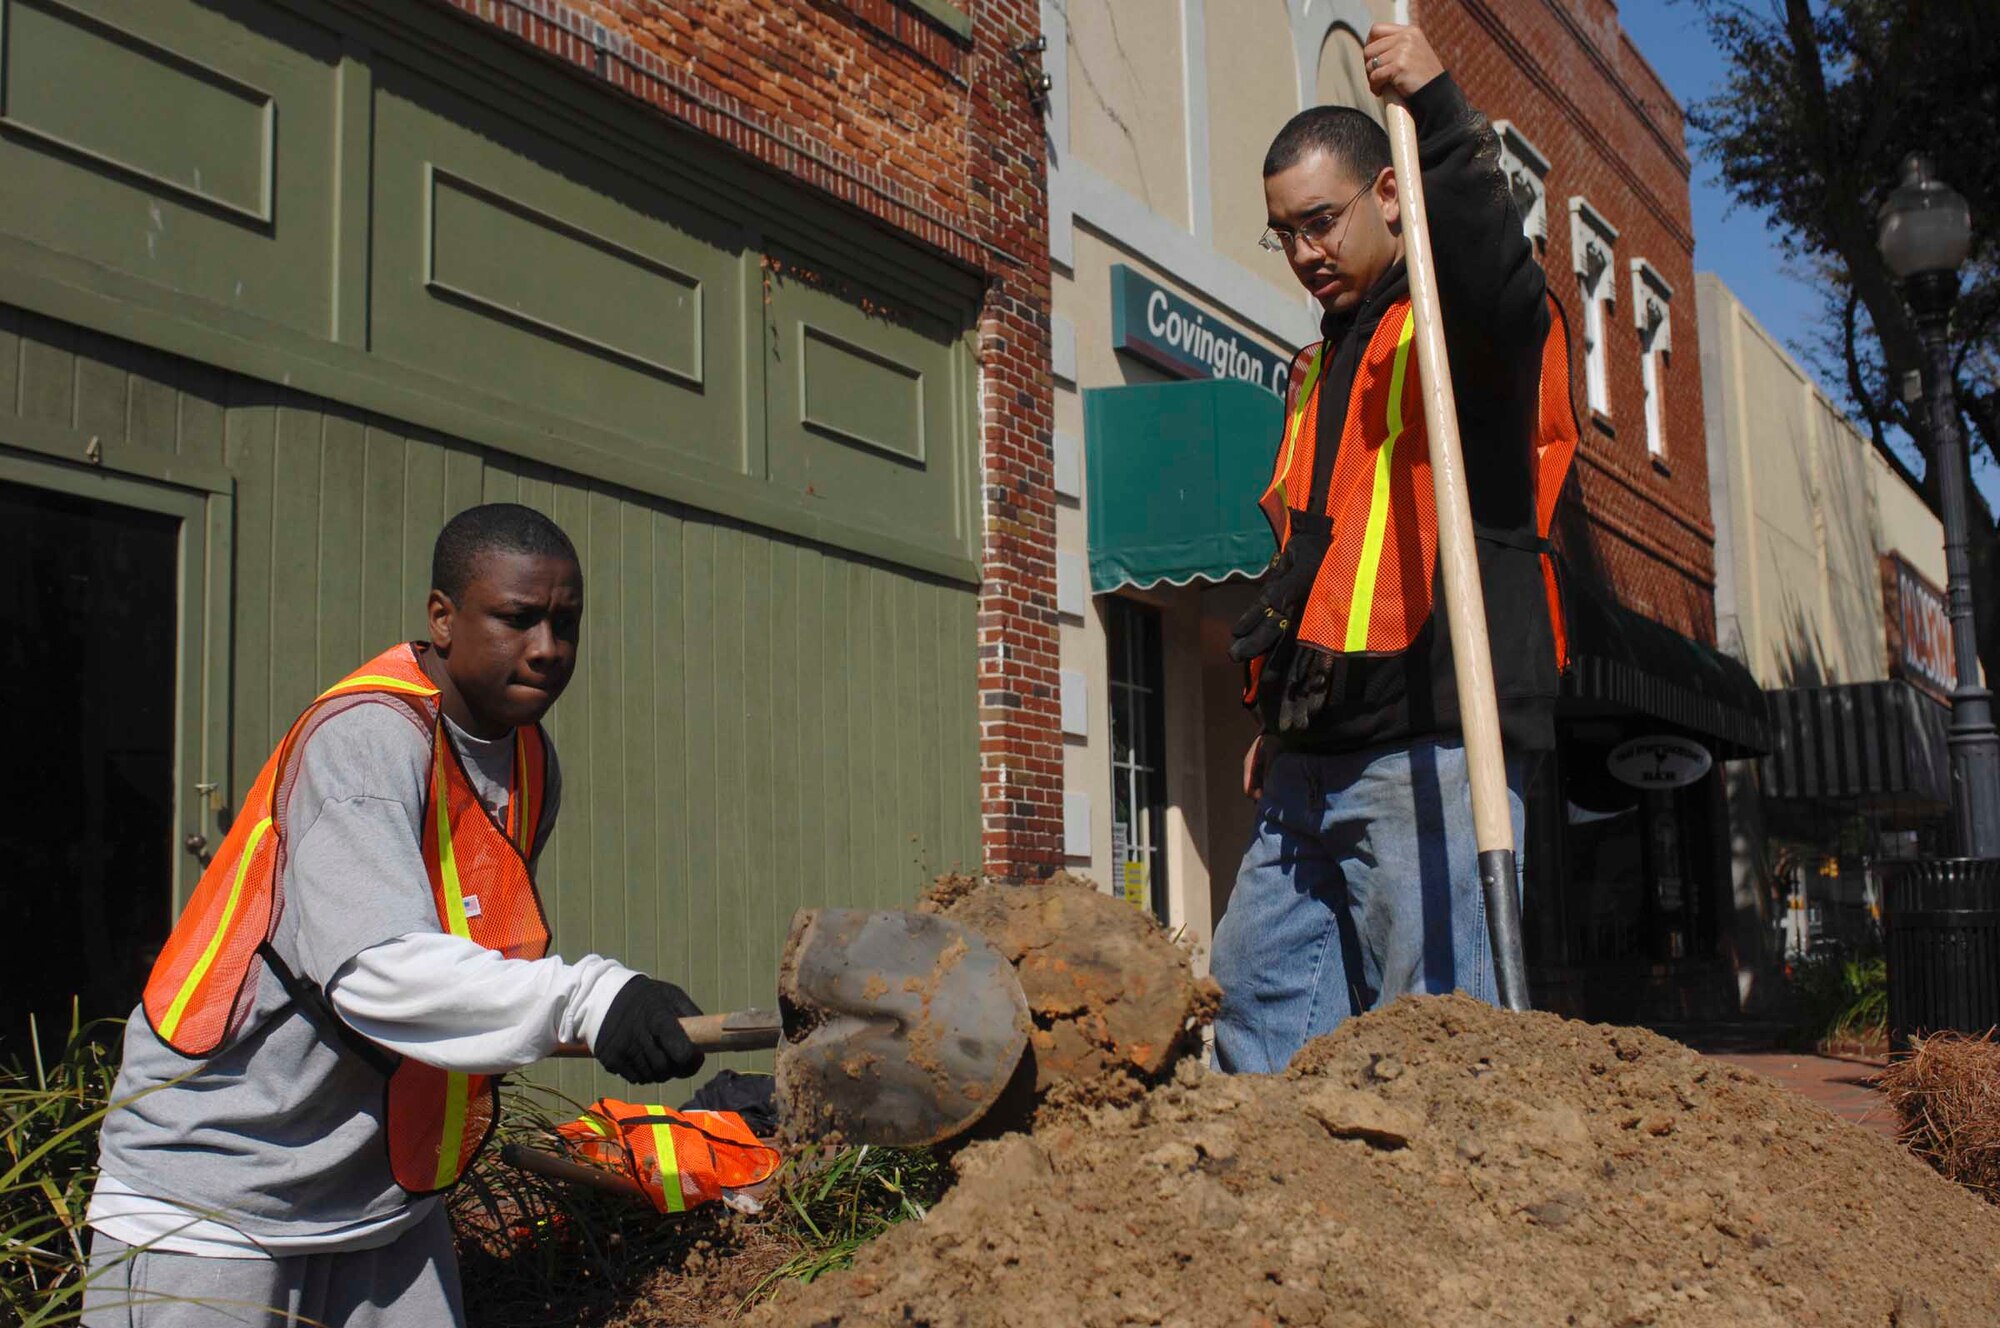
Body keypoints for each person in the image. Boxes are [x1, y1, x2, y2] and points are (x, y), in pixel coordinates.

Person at [82, 503, 709, 1326]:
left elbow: (467, 952)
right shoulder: (367, 741)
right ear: (442, 619)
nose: (549, 649)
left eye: (567, 623)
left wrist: (602, 1014)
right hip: (215, 1199)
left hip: (378, 1201)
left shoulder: (525, 755)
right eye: (518, 619)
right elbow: (377, 975)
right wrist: (590, 1001)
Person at [1210, 24, 1580, 1074]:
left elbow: (1501, 291)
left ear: (1385, 194)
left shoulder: (1448, 333)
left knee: (1437, 1046)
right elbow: (1319, 558)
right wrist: (1282, 708)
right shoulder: (1315, 370)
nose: (1302, 251)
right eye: (1282, 232)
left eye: (1319, 221)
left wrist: (1444, 117)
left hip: (1433, 743)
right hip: (1311, 763)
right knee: (1254, 1009)